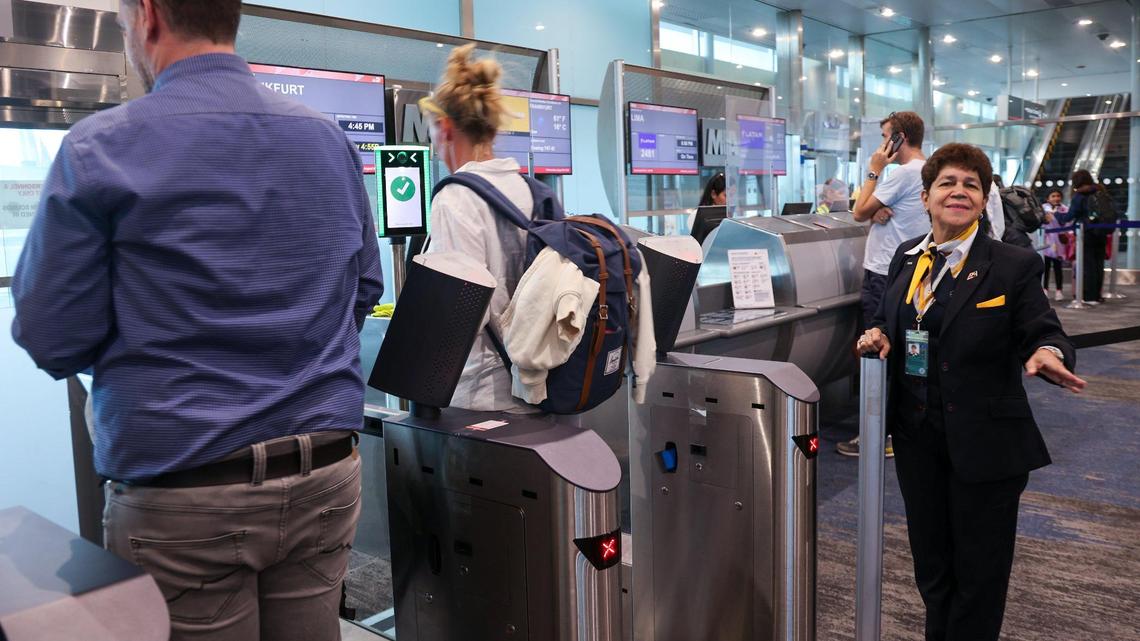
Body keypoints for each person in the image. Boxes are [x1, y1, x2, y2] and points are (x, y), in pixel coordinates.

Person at [10, 1, 383, 639]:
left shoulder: (100, 148)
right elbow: (364, 289)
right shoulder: (327, 140)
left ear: (148, 16)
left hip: (186, 497)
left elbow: (52, 336)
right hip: (325, 472)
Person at [856, 143, 1085, 641]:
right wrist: (875, 335)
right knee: (933, 571)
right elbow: (887, 321)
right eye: (948, 183)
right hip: (918, 441)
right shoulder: (906, 256)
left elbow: (1044, 329)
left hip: (986, 444)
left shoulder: (1012, 264)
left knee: (978, 578)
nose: (959, 191)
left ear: (983, 201)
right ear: (926, 196)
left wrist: (1050, 354)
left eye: (971, 185)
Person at [420, 44, 533, 411]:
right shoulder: (526, 187)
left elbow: (463, 312)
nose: (434, 145)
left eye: (433, 131)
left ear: (447, 128)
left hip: (483, 394)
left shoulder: (456, 198)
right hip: (533, 384)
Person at [842, 110, 931, 458]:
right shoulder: (928, 170)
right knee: (912, 353)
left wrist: (874, 169)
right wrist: (875, 206)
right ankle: (905, 429)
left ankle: (877, 435)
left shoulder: (902, 172)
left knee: (876, 349)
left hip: (883, 274)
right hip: (913, 274)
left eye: (885, 137)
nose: (882, 145)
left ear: (900, 139)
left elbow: (858, 211)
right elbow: (870, 209)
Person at [1068, 169, 1108, 303]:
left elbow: (1070, 215)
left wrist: (1055, 216)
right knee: (1098, 264)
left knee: (1088, 265)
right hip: (1101, 232)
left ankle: (1089, 296)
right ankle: (1097, 295)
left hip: (1086, 234)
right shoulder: (1100, 191)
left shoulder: (1079, 196)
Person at [1041, 189, 1069, 301]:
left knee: (1058, 267)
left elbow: (1068, 223)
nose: (1056, 198)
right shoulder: (1042, 208)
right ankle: (1045, 289)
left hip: (1059, 241)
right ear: (1048, 198)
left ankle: (1059, 290)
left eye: (1058, 196)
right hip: (1046, 241)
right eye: (1053, 196)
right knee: (1045, 267)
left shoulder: (1065, 209)